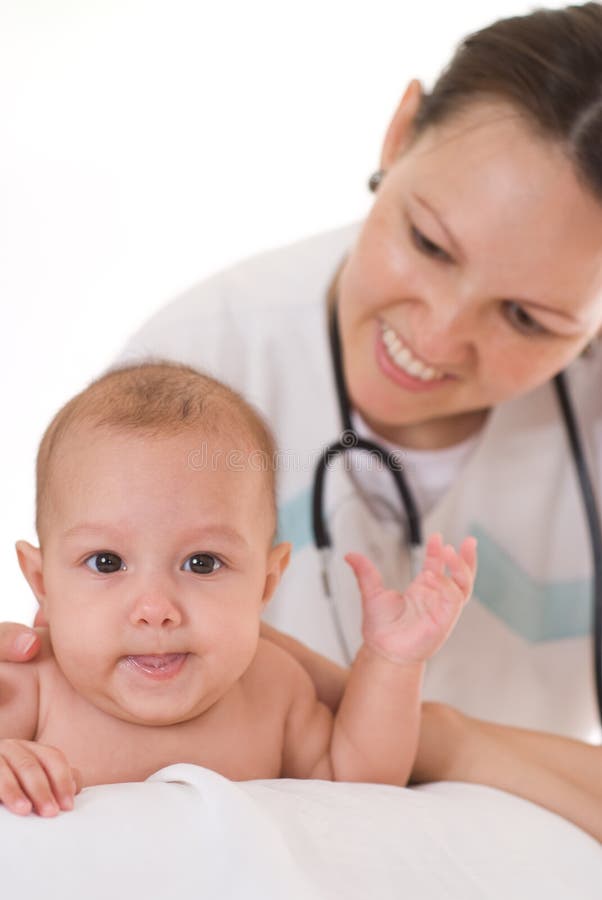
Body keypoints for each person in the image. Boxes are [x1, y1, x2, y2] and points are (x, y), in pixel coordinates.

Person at [2, 2, 602, 823]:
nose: (436, 335)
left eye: (528, 319)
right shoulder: (193, 375)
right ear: (397, 136)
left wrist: (434, 731)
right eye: (428, 242)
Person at [2, 361, 476, 817]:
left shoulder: (273, 691)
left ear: (266, 583)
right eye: (106, 562)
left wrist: (392, 661)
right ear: (42, 582)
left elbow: (361, 782)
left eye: (202, 563)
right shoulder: (32, 685)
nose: (155, 610)